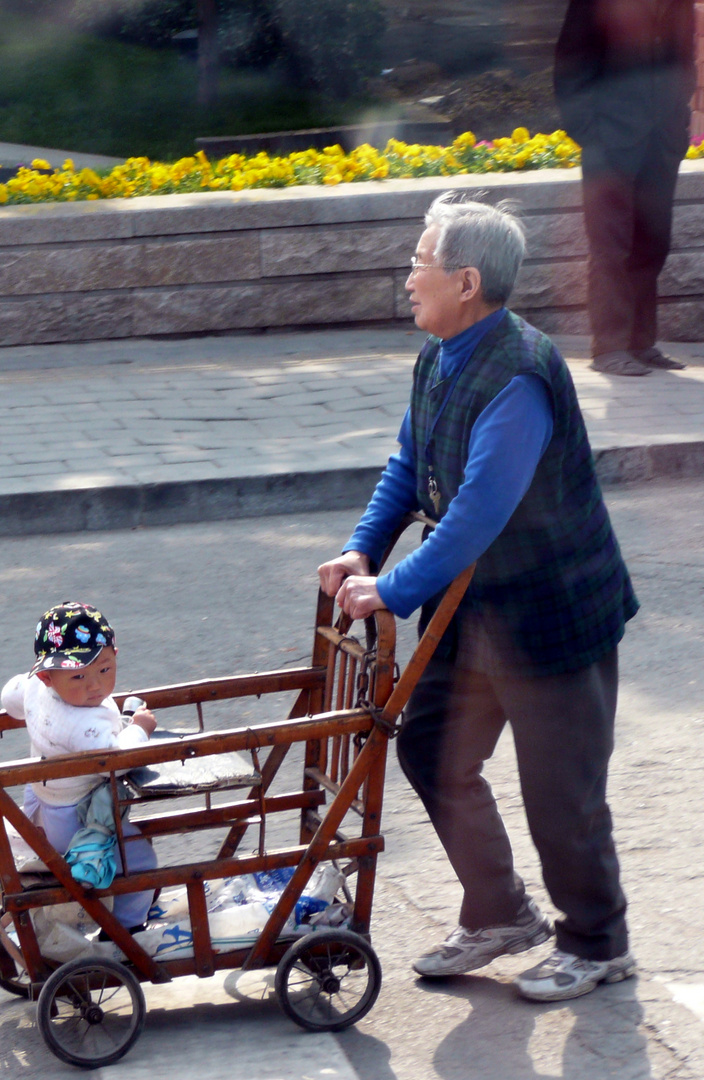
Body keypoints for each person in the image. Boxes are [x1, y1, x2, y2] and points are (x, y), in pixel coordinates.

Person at [317, 193, 638, 1002]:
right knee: (430, 748)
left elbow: (475, 519)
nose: (408, 276)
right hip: (474, 610)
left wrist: (386, 591)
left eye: (419, 262)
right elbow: (409, 466)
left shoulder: (521, 375)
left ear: (466, 281)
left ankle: (597, 942)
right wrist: (364, 546)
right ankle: (499, 911)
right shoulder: (441, 355)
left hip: (551, 613)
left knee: (561, 793)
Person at [555, 0, 696, 376]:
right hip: (610, 142)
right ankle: (609, 348)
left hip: (661, 142)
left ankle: (641, 342)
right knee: (610, 245)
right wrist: (591, 134)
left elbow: (684, 59)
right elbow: (570, 63)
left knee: (653, 242)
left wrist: (678, 125)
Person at [0, 602, 160, 931]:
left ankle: (127, 910)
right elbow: (113, 762)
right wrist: (139, 729)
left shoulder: (33, 687)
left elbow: (8, 698)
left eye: (105, 669)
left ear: (115, 655)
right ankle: (127, 930)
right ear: (47, 676)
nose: (95, 686)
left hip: (40, 801)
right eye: (78, 676)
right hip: (75, 817)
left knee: (132, 847)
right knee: (141, 861)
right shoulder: (83, 724)